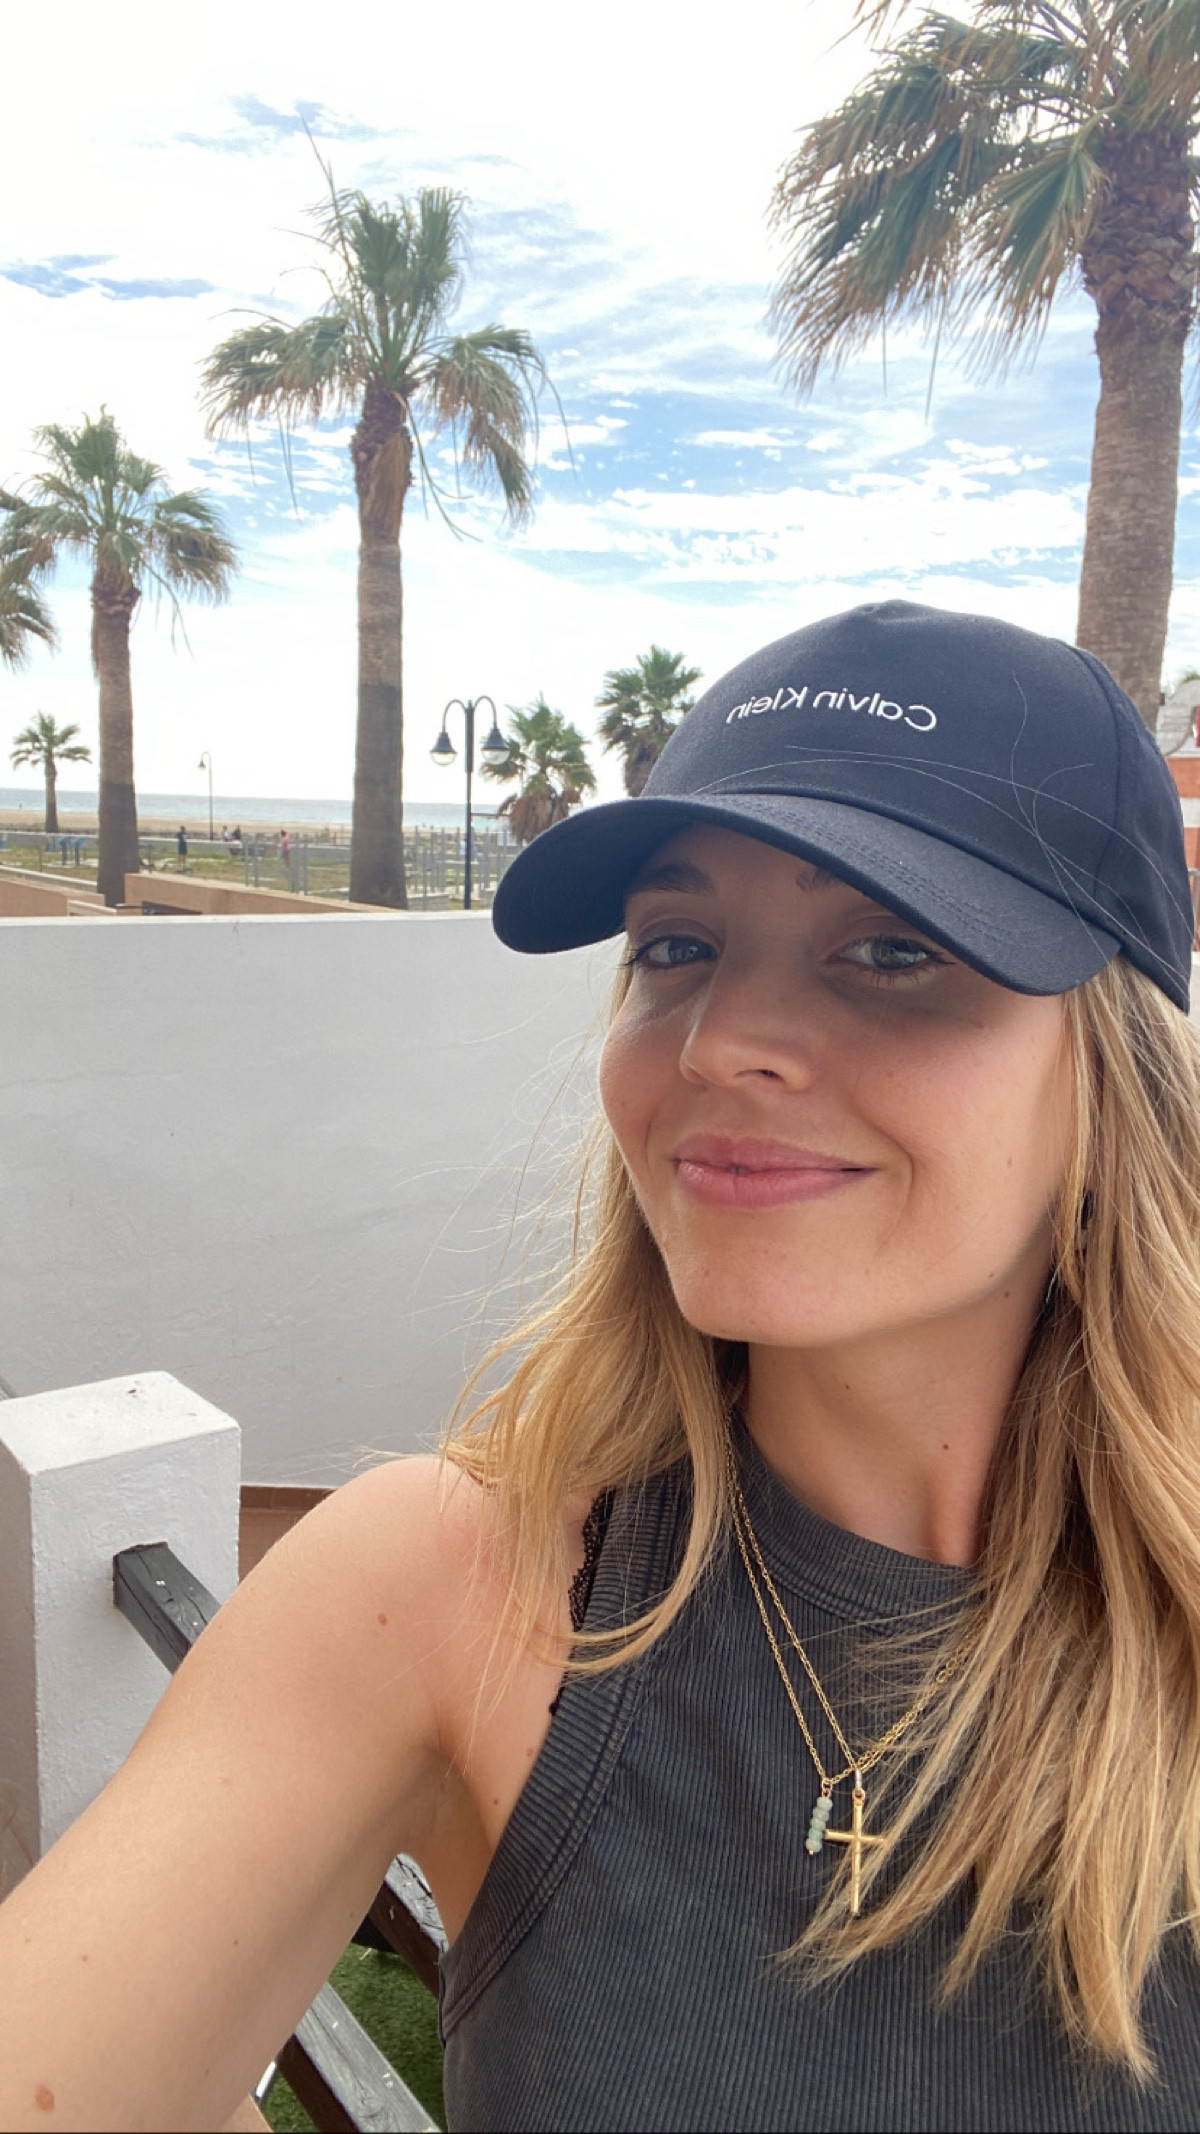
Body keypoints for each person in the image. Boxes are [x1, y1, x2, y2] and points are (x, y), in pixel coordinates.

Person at [1, 601, 1199, 2133]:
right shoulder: (458, 1592)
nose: (719, 1040)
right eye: (677, 945)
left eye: (894, 948)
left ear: (1108, 1066)